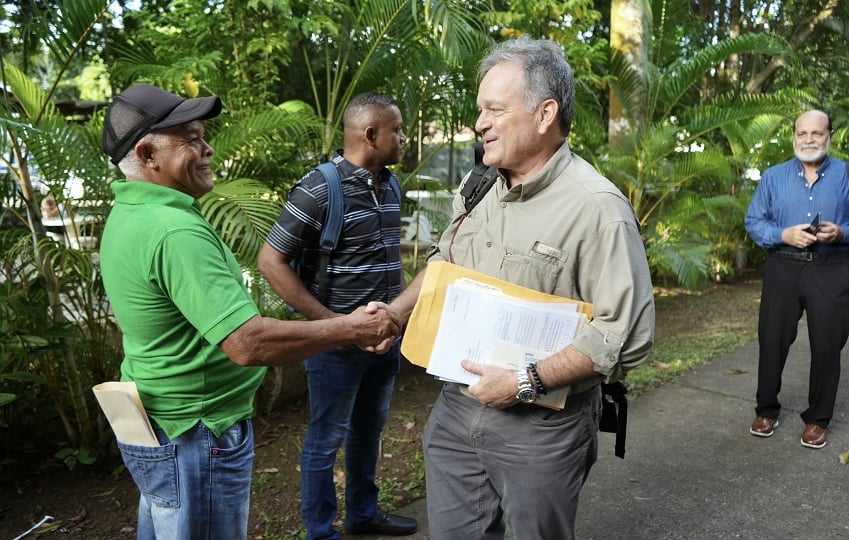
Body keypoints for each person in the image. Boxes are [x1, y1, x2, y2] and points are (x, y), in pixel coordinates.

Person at [98, 84, 400, 540]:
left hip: (164, 422)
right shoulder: (173, 230)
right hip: (197, 432)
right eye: (192, 139)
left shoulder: (132, 214)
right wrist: (350, 327)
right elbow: (247, 341)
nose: (207, 148)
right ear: (148, 154)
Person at [383, 37, 655, 540]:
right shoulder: (483, 184)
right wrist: (396, 314)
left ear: (545, 113)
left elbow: (624, 336)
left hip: (542, 425)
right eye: (480, 110)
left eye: (493, 109)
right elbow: (445, 263)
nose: (479, 122)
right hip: (456, 409)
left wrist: (525, 381)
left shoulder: (597, 209)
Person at [257, 92, 417, 539]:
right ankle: (321, 531)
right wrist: (332, 325)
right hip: (336, 347)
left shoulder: (390, 184)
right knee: (326, 438)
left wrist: (395, 317)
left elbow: (388, 260)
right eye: (397, 130)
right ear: (370, 134)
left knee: (370, 431)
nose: (404, 138)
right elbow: (271, 261)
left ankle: (364, 516)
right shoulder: (319, 188)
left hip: (385, 340)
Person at [744, 109, 849, 449]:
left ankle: (818, 419)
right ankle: (766, 410)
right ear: (793, 137)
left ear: (829, 135)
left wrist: (842, 233)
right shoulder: (773, 177)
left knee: (827, 345)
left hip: (831, 268)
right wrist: (783, 234)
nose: (809, 140)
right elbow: (754, 221)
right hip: (783, 266)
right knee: (772, 340)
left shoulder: (847, 174)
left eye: (816, 133)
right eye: (802, 133)